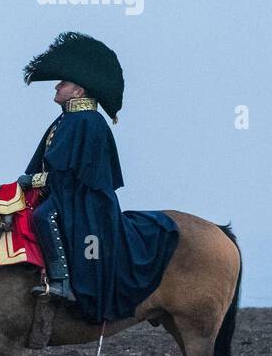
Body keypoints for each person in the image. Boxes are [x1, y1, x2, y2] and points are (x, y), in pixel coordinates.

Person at [19, 32, 178, 321]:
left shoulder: (88, 123)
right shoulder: (68, 119)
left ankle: (61, 282)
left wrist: (33, 182)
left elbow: (66, 175)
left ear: (78, 91)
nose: (56, 86)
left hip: (85, 201)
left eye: (63, 82)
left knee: (44, 216)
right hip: (68, 194)